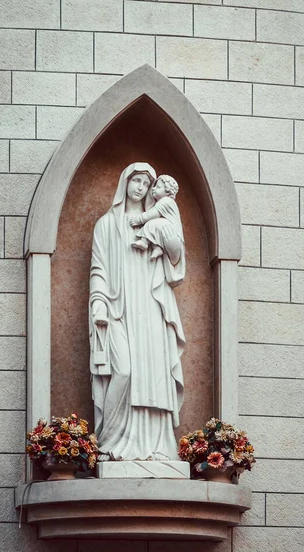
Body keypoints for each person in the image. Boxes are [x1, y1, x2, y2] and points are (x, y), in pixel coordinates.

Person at [89, 163, 186, 462]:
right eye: (136, 180)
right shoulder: (106, 225)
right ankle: (108, 440)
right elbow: (99, 268)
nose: (141, 187)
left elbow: (176, 258)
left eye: (147, 182)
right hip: (118, 309)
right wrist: (98, 302)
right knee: (125, 370)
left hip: (150, 305)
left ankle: (156, 446)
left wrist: (167, 234)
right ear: (125, 182)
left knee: (153, 372)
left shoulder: (157, 218)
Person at [129, 174, 184, 266]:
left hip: (172, 237)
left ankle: (144, 242)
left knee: (152, 224)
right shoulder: (164, 202)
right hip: (169, 239)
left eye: (158, 187)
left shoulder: (166, 201)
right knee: (156, 228)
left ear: (168, 191)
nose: (153, 189)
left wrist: (138, 219)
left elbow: (152, 214)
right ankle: (158, 248)